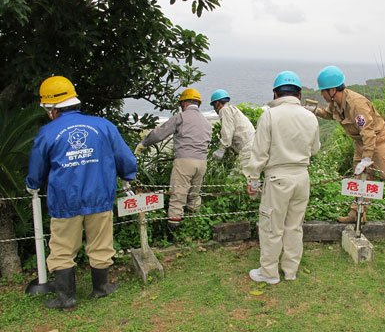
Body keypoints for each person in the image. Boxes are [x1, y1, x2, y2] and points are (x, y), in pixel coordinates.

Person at [26, 76, 137, 310]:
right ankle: (101, 288)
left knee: (63, 248)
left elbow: (36, 169)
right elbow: (125, 158)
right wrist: (128, 175)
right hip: (100, 197)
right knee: (101, 244)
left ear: (51, 108)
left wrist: (32, 184)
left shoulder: (47, 133)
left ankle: (66, 299)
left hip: (65, 201)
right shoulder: (104, 126)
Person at [244, 71, 320, 284]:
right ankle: (290, 270)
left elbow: (259, 152)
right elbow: (315, 149)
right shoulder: (310, 116)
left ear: (276, 94)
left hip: (278, 178)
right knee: (294, 226)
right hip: (302, 177)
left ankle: (269, 273)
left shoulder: (269, 115)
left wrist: (252, 179)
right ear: (298, 94)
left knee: (271, 227)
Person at [307, 65, 385, 223]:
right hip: (360, 141)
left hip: (376, 139)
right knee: (360, 177)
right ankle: (357, 213)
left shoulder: (357, 104)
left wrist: (367, 159)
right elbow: (330, 114)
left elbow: (368, 133)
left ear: (333, 90)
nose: (322, 93)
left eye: (323, 90)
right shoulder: (336, 103)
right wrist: (315, 111)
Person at [135, 88, 212, 233]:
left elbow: (160, 134)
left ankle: (174, 233)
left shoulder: (181, 117)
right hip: (202, 163)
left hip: (184, 162)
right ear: (198, 104)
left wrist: (143, 144)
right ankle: (195, 227)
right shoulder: (206, 122)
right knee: (194, 195)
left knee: (178, 195)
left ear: (184, 103)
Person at [209, 89, 255, 173]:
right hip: (253, 146)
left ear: (217, 103)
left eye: (213, 105)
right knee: (252, 176)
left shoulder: (224, 110)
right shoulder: (232, 109)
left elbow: (228, 131)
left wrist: (221, 149)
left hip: (247, 149)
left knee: (238, 177)